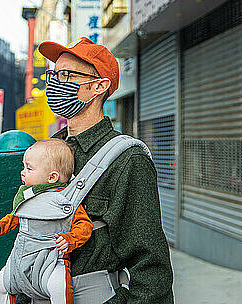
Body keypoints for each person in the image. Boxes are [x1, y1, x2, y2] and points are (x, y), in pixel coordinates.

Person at [34, 37, 173, 303]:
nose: (54, 83)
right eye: (53, 74)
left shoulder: (127, 159)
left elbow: (151, 268)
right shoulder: (50, 150)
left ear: (98, 86)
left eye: (66, 74)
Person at [0, 139, 93, 304]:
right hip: (19, 260)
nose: (23, 172)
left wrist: (70, 239)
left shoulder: (66, 200)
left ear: (52, 177)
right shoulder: (26, 197)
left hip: (51, 261)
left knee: (60, 288)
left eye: (29, 168)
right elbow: (15, 217)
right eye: (24, 167)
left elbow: (84, 226)